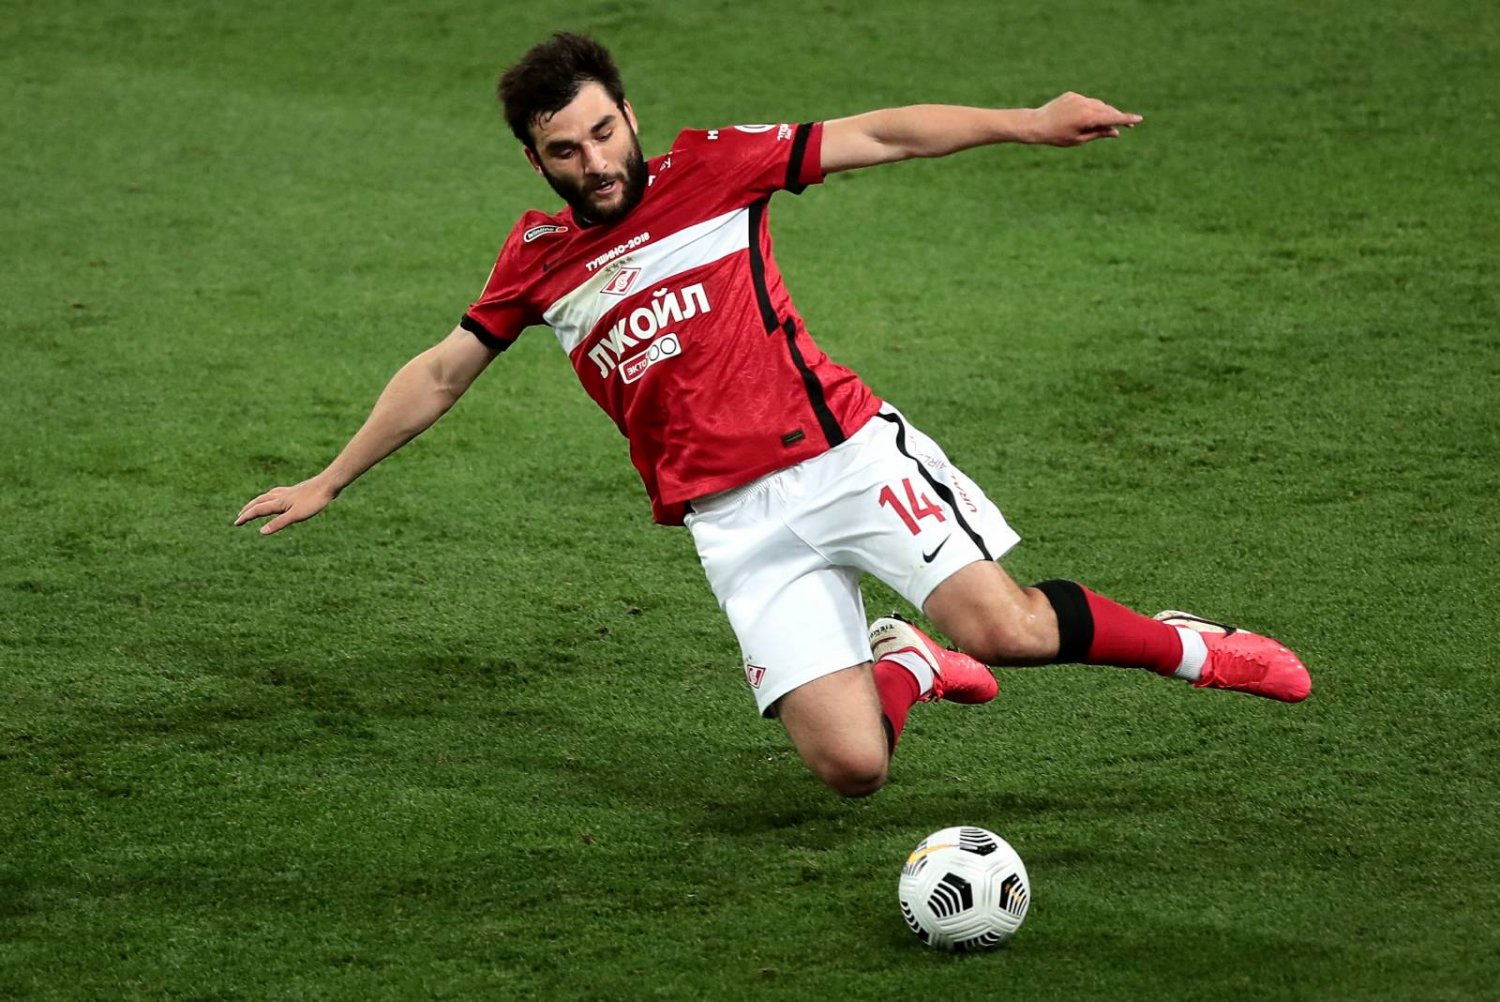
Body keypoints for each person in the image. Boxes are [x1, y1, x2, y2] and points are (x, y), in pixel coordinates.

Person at [236, 33, 1310, 798]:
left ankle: (1189, 648)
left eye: (605, 133)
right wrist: (330, 478)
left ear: (629, 116)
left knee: (1008, 631)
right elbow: (440, 372)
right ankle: (909, 664)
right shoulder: (538, 259)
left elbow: (880, 134)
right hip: (731, 525)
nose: (597, 164)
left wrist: (1026, 123)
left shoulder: (713, 168)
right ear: (535, 159)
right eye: (567, 151)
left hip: (841, 458)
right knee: (852, 770)